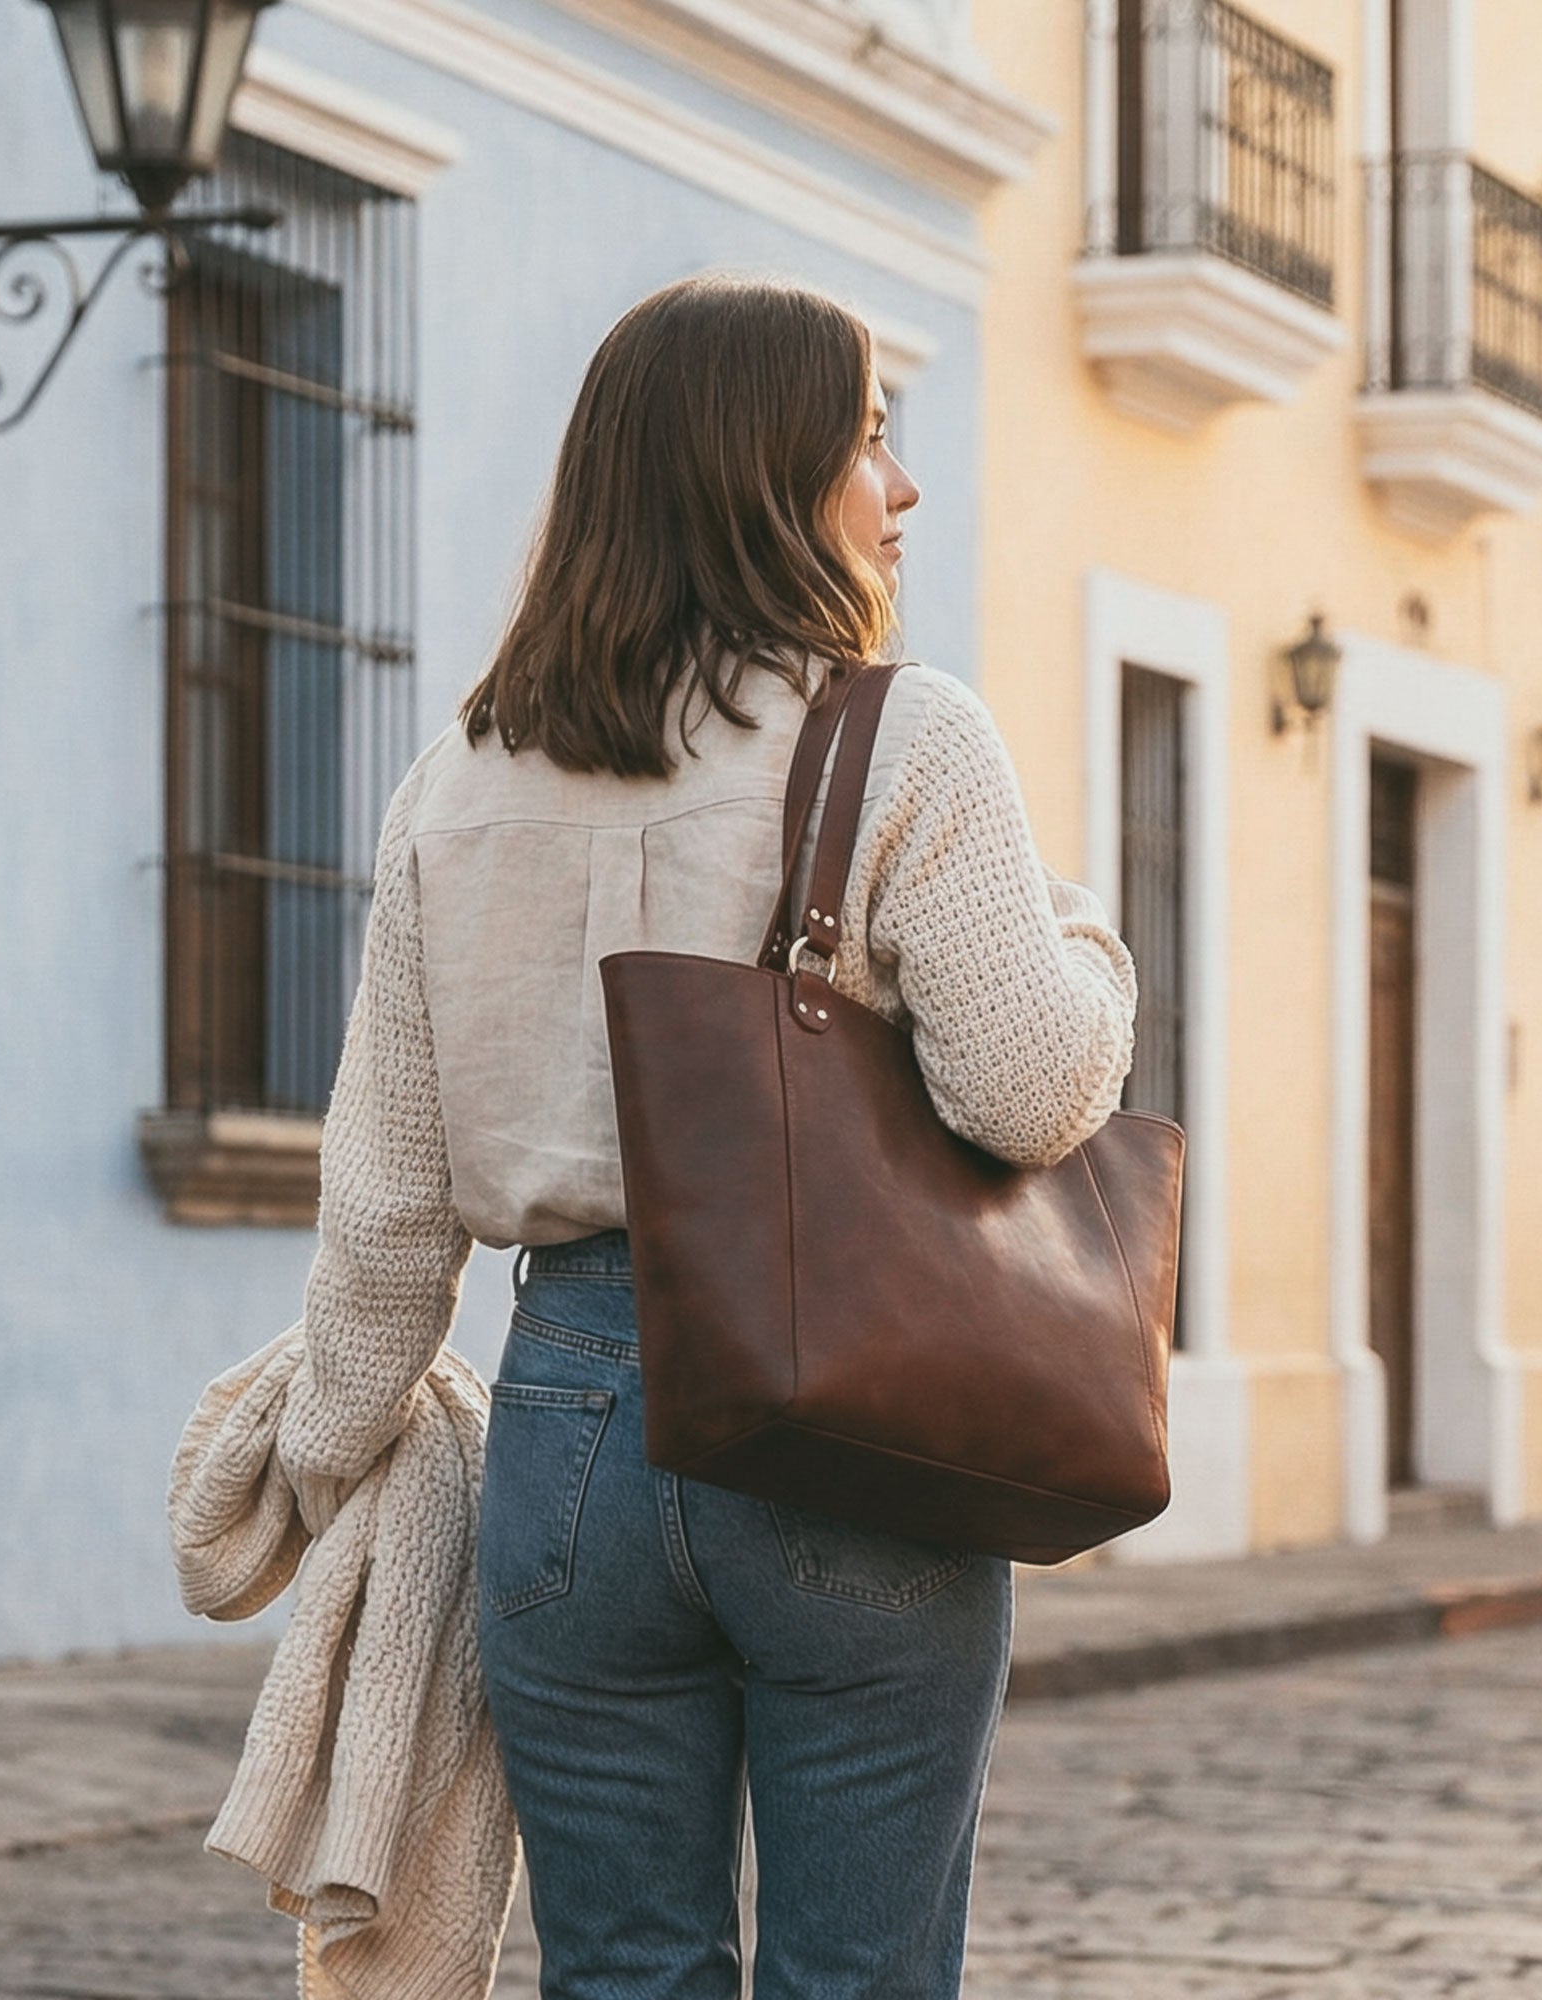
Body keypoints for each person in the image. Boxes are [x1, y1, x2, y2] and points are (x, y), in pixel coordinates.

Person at [172, 271, 1136, 2000]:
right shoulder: (898, 734)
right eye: (864, 440)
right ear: (759, 475)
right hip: (843, 1422)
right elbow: (1027, 1089)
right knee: (860, 1975)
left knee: (619, 1971)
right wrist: (1083, 944)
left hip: (569, 1437)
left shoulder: (456, 782)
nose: (900, 489)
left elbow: (388, 1207)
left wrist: (326, 1463)